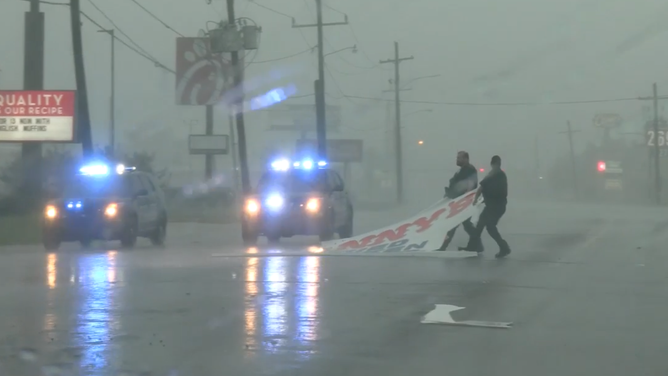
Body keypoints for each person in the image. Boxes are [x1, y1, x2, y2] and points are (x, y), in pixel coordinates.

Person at [459, 155, 511, 258]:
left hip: (497, 206)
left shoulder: (499, 175)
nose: (496, 165)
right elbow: (481, 187)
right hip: (491, 206)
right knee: (480, 226)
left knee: (490, 227)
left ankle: (504, 248)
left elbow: (501, 192)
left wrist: (484, 197)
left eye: (497, 164)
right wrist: (476, 199)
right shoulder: (491, 175)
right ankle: (472, 247)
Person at [437, 151, 478, 251]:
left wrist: (465, 199)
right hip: (459, 201)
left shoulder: (469, 169)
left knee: (453, 224)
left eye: (459, 158)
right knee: (467, 225)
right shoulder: (462, 170)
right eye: (457, 158)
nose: (457, 160)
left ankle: (443, 247)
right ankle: (477, 244)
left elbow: (470, 184)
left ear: (466, 159)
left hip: (462, 202)